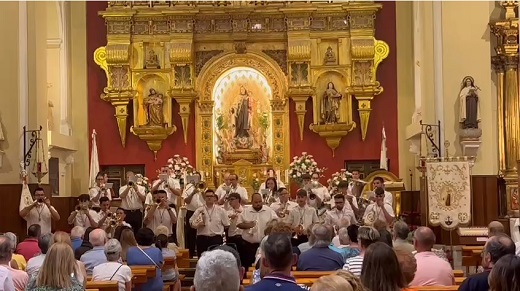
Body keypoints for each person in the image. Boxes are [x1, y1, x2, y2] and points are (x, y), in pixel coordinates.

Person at [237, 193, 278, 269]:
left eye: (260, 202)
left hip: (264, 245)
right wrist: (248, 225)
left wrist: (271, 225)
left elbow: (276, 221)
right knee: (248, 266)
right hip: (248, 245)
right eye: (256, 202)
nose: (258, 204)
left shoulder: (268, 210)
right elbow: (238, 224)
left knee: (264, 266)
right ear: (251, 202)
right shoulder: (246, 211)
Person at [190, 189, 230, 257]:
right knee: (202, 260)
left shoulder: (221, 210)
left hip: (215, 238)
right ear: (204, 198)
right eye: (207, 196)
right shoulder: (199, 210)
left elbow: (227, 224)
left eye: (211, 196)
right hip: (202, 238)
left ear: (214, 198)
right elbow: (191, 222)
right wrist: (198, 224)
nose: (209, 197)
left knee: (216, 260)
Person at [182, 172, 206, 257]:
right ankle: (191, 253)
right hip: (191, 211)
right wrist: (193, 192)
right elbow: (186, 201)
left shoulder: (203, 186)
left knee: (202, 232)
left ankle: (202, 253)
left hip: (202, 212)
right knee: (190, 233)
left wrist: (202, 191)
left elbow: (207, 200)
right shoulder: (187, 188)